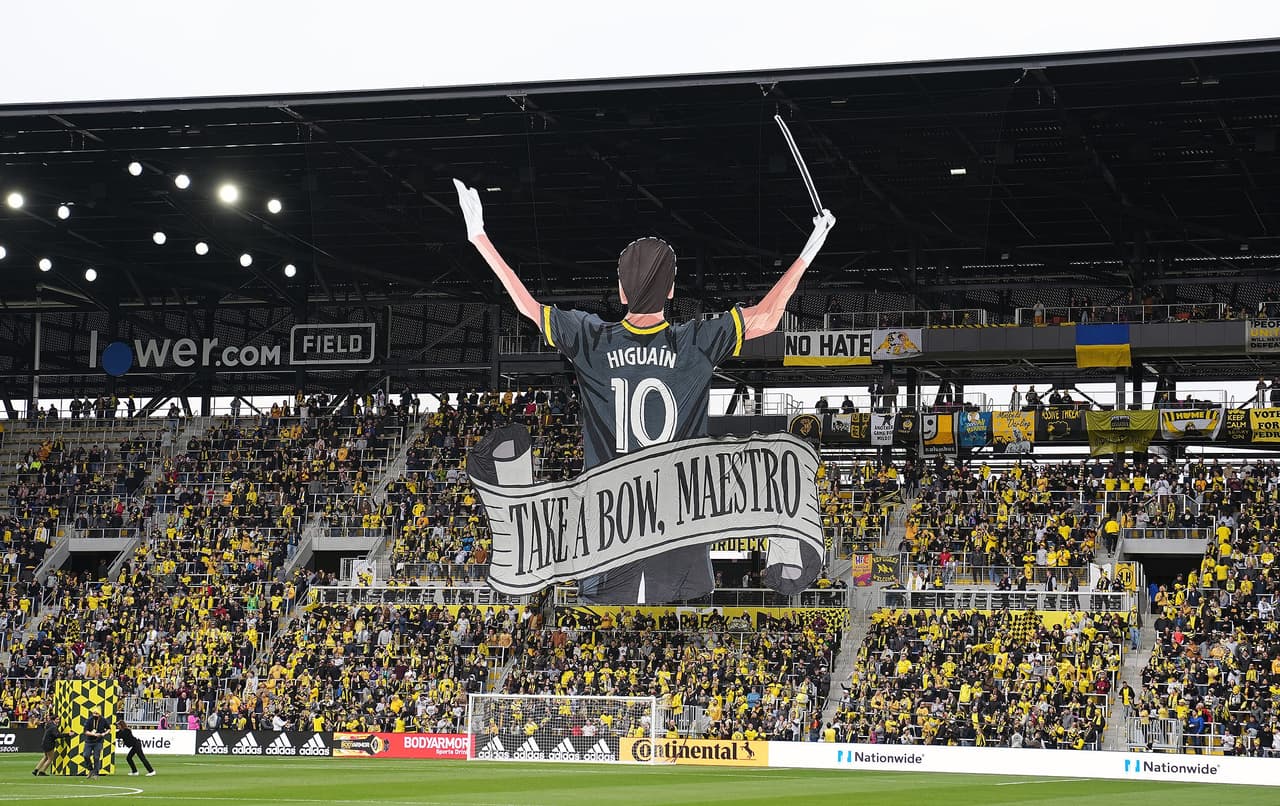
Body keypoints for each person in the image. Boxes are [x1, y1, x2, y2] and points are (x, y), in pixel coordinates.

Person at [454, 179, 835, 604]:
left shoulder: (590, 337)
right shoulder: (695, 342)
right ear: (672, 290)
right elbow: (765, 317)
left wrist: (480, 237)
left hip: (607, 528)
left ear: (620, 291)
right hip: (679, 528)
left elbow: (526, 304)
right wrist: (808, 251)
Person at [82, 707, 109, 779]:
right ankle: (90, 769)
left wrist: (104, 733)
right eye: (94, 713)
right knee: (86, 755)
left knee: (96, 757)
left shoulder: (103, 720)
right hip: (89, 741)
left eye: (96, 713)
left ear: (99, 714)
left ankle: (96, 773)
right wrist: (93, 734)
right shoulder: (89, 720)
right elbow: (85, 731)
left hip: (99, 741)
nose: (95, 715)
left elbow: (108, 728)